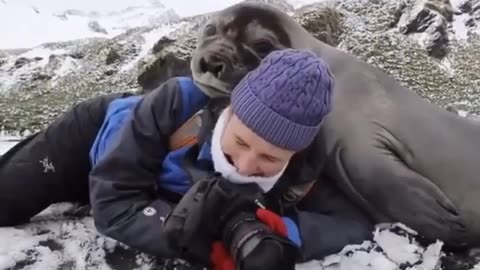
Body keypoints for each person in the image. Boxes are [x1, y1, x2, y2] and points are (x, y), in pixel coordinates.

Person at [0, 49, 373, 269]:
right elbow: (114, 205)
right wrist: (200, 237)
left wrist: (280, 231)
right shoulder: (177, 104)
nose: (244, 165)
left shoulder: (304, 167)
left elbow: (352, 223)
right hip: (90, 144)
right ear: (230, 109)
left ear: (294, 153)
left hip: (146, 185)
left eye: (269, 158)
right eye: (240, 141)